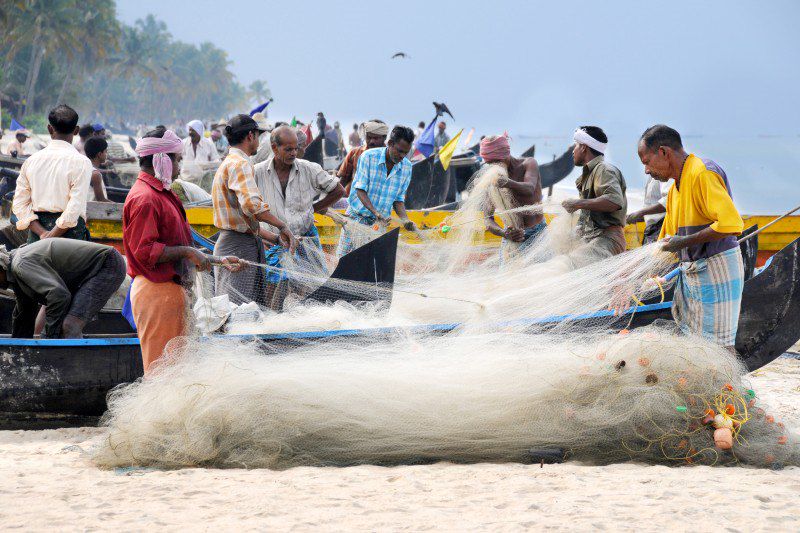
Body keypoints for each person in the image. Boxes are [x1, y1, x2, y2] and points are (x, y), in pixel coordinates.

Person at [123, 127, 240, 372]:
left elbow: (176, 244)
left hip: (170, 292)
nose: (180, 165)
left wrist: (215, 260)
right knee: (161, 372)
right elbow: (145, 251)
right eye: (177, 159)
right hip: (157, 293)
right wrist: (188, 252)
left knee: (177, 369)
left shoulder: (163, 193)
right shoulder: (146, 198)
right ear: (161, 160)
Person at [638, 124, 744, 348]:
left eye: (646, 162)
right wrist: (639, 274)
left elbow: (730, 224)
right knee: (696, 344)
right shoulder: (675, 188)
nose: (646, 170)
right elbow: (665, 242)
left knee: (719, 346)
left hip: (717, 269)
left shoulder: (702, 172)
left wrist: (683, 242)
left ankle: (728, 384)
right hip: (694, 273)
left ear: (664, 152)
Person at [254, 126, 345, 309]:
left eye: (296, 148)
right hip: (275, 239)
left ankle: (304, 318)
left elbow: (338, 190)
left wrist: (314, 208)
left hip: (305, 236)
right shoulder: (257, 171)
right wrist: (260, 235)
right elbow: (249, 207)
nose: (294, 153)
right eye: (288, 149)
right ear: (274, 148)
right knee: (274, 284)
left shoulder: (309, 169)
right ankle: (273, 320)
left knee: (313, 283)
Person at [211, 114, 297, 305]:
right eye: (258, 136)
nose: (259, 140)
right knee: (237, 310)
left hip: (239, 243)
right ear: (251, 136)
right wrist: (282, 226)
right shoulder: (240, 164)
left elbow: (244, 220)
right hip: (238, 247)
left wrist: (274, 238)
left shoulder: (229, 161)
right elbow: (252, 206)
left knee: (247, 308)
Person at [0, 240, 126, 338]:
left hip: (107, 264)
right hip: (84, 274)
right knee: (60, 328)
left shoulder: (21, 265)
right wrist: (17, 350)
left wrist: (48, 339)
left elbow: (59, 296)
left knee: (70, 326)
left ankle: (78, 369)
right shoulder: (16, 274)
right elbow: (24, 315)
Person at [13, 104, 92, 243]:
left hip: (37, 236)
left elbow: (20, 204)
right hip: (70, 238)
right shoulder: (82, 162)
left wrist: (43, 233)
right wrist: (52, 235)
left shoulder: (31, 161)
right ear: (76, 130)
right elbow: (75, 206)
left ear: (50, 128)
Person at [337, 125, 417, 256]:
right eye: (400, 151)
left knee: (370, 265)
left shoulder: (407, 167)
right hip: (356, 219)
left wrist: (405, 219)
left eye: (406, 153)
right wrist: (376, 212)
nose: (403, 156)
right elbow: (360, 190)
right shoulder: (368, 157)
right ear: (390, 143)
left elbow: (398, 200)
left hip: (378, 225)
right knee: (344, 260)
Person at [562, 126, 628, 266]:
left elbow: (614, 201)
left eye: (575, 145)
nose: (573, 151)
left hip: (607, 240)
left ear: (584, 147)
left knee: (568, 265)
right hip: (595, 239)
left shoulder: (603, 170)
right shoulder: (589, 174)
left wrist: (577, 204)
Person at [479, 134, 546, 260]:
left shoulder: (528, 164)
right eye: (489, 164)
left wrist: (508, 183)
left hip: (537, 233)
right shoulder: (492, 179)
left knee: (542, 276)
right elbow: (488, 219)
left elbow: (529, 189)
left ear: (505, 155)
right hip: (512, 236)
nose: (493, 167)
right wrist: (504, 233)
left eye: (495, 162)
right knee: (507, 278)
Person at [337, 120, 388, 194]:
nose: (371, 141)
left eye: (376, 138)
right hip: (353, 198)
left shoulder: (390, 157)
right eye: (369, 138)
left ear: (384, 138)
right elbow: (343, 180)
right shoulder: (354, 153)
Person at [626, 175, 672, 245]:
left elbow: (669, 201)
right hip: (653, 230)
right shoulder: (652, 176)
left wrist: (641, 212)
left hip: (662, 228)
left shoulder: (666, 175)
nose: (646, 171)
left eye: (647, 163)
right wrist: (639, 216)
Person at [83, 137, 112, 202]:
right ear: (99, 154)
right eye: (105, 152)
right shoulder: (96, 174)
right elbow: (101, 200)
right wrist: (121, 207)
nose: (106, 155)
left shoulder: (83, 167)